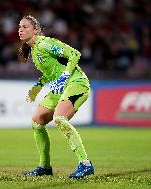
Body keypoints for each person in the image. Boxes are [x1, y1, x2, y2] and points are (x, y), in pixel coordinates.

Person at [18, 15, 94, 179]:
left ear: (36, 30)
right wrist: (38, 87)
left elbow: (75, 54)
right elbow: (50, 73)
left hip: (76, 82)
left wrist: (66, 75)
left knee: (59, 118)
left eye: (25, 27)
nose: (21, 30)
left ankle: (85, 164)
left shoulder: (45, 43)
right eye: (19, 27)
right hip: (60, 87)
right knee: (37, 121)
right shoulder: (33, 50)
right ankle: (44, 167)